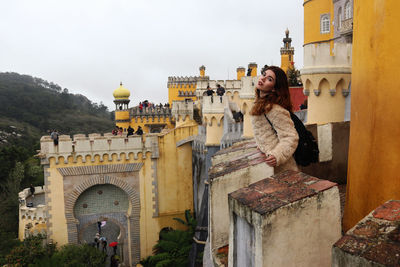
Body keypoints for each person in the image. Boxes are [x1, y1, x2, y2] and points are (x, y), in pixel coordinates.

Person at [250, 65, 299, 174]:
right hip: (269, 165)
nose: (262, 78)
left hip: (282, 168)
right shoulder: (261, 104)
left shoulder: (274, 109)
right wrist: (261, 145)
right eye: (264, 74)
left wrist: (277, 155)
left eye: (269, 79)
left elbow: (291, 137)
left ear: (274, 88)